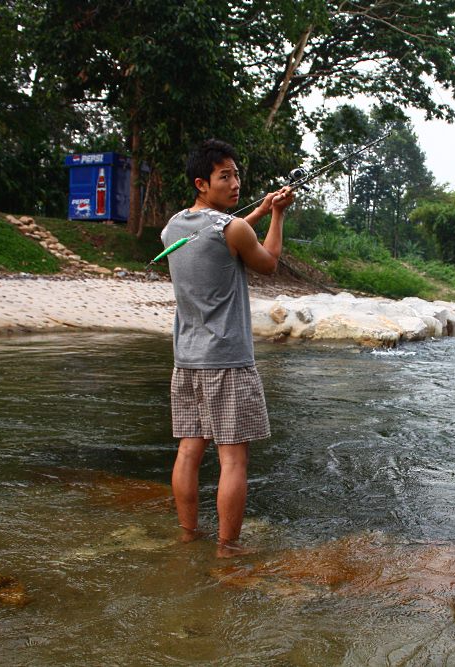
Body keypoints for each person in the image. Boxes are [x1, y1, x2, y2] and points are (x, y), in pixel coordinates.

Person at [161, 138, 294, 558]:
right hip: (228, 362)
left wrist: (254, 213)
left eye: (236, 174)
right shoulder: (233, 230)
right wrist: (277, 214)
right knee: (233, 462)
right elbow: (268, 261)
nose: (235, 182)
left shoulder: (173, 228)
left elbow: (224, 232)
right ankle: (228, 548)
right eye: (225, 176)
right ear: (202, 183)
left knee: (188, 451)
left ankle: (187, 533)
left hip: (187, 361)